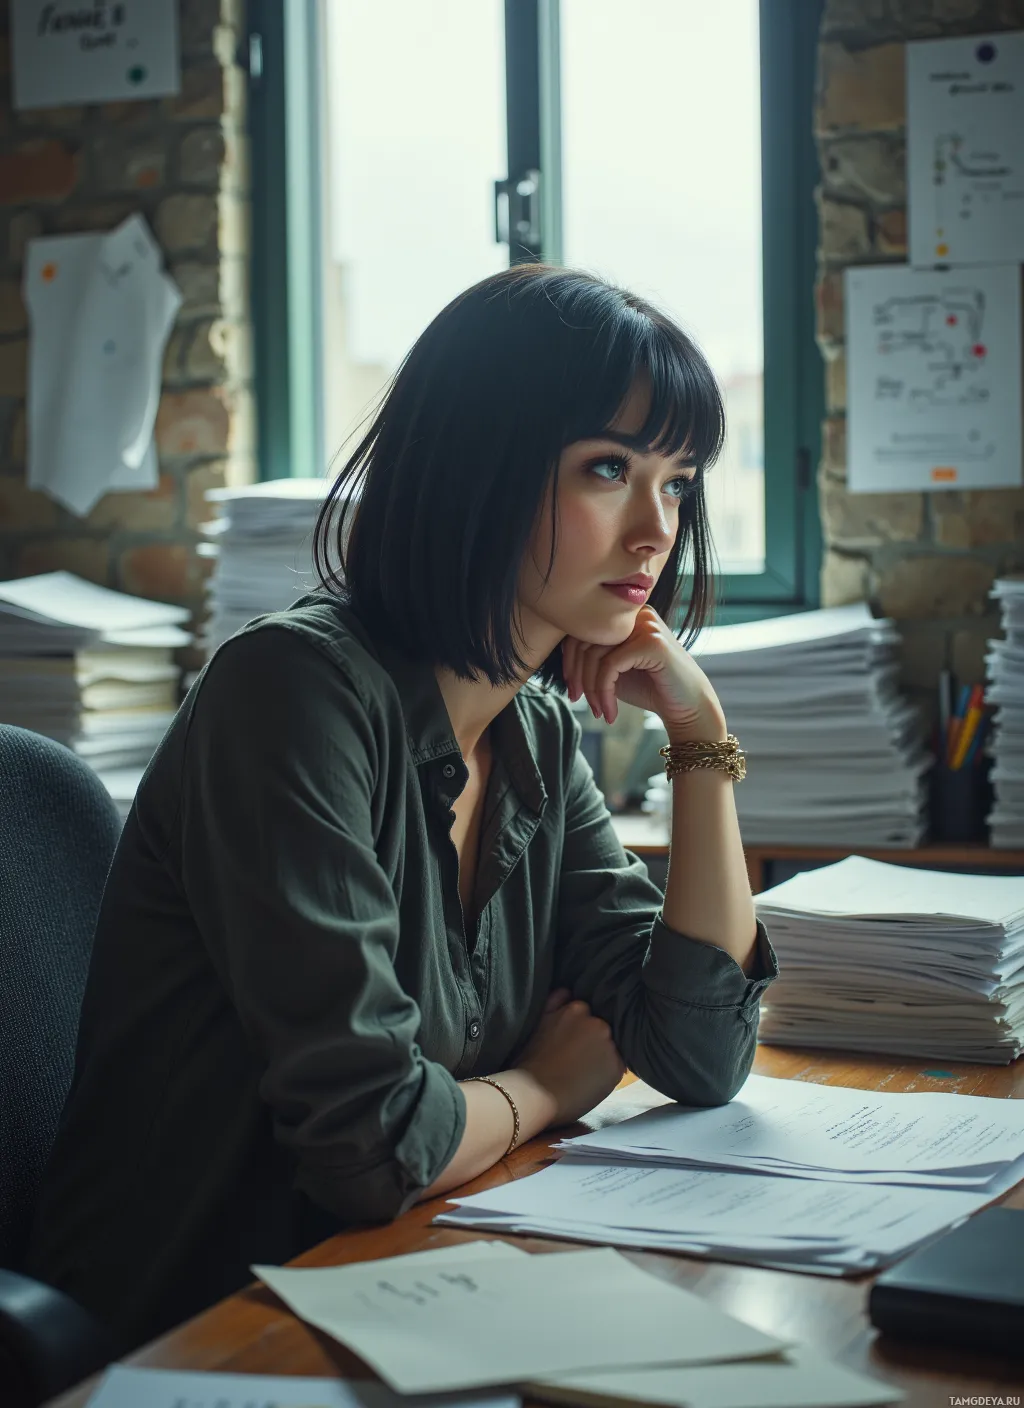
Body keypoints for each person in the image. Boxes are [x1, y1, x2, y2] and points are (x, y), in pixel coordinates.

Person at [27, 263, 778, 1353]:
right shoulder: (290, 694)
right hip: (203, 1325)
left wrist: (700, 742)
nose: (654, 529)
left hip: (410, 1282)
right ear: (480, 470)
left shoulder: (532, 731)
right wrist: (545, 1085)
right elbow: (374, 1145)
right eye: (608, 468)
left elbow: (701, 1050)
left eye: (678, 480)